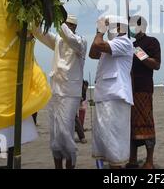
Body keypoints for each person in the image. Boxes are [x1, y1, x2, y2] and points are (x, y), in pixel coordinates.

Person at [33, 15, 87, 169]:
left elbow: (69, 38)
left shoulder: (81, 42)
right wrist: (35, 17)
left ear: (74, 27)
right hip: (55, 91)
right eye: (65, 24)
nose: (66, 27)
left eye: (69, 24)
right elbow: (39, 33)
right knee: (55, 134)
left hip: (70, 93)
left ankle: (71, 164)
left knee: (65, 132)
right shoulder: (58, 41)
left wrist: (58, 18)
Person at [89, 15, 134, 168]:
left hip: (115, 97)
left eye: (109, 25)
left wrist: (100, 32)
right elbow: (92, 53)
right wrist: (99, 31)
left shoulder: (124, 42)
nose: (107, 28)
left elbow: (97, 43)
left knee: (114, 145)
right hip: (104, 96)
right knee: (104, 142)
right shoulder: (108, 45)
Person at [128, 15, 161, 169]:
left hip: (144, 89)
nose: (132, 28)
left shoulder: (152, 42)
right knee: (130, 126)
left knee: (146, 123)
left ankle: (149, 161)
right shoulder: (130, 44)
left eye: (134, 25)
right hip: (129, 90)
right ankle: (133, 159)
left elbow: (156, 64)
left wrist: (139, 53)